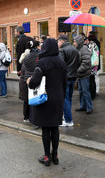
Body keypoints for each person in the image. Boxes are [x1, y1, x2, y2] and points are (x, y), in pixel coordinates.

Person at [27, 38, 67, 166]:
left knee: (45, 129)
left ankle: (46, 157)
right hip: (58, 99)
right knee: (55, 128)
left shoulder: (42, 62)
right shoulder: (61, 62)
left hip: (45, 100)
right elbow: (64, 83)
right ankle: (55, 156)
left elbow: (34, 82)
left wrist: (29, 81)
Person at [58, 34, 80, 127]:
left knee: (65, 99)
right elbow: (78, 62)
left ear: (62, 41)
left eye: (58, 41)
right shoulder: (75, 49)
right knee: (69, 98)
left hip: (65, 77)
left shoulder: (62, 50)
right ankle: (68, 116)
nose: (57, 43)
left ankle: (68, 120)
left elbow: (61, 65)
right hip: (73, 76)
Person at [21, 40, 40, 122]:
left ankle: (26, 117)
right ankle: (34, 118)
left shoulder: (26, 57)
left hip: (27, 79)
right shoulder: (39, 56)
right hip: (36, 79)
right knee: (36, 99)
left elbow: (23, 69)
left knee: (27, 99)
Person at [74, 35, 93, 114]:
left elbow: (86, 62)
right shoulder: (78, 49)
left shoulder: (84, 49)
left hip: (84, 74)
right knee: (81, 91)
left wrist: (78, 70)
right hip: (80, 74)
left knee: (85, 91)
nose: (73, 43)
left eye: (75, 41)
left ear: (79, 42)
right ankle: (83, 106)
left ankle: (89, 107)